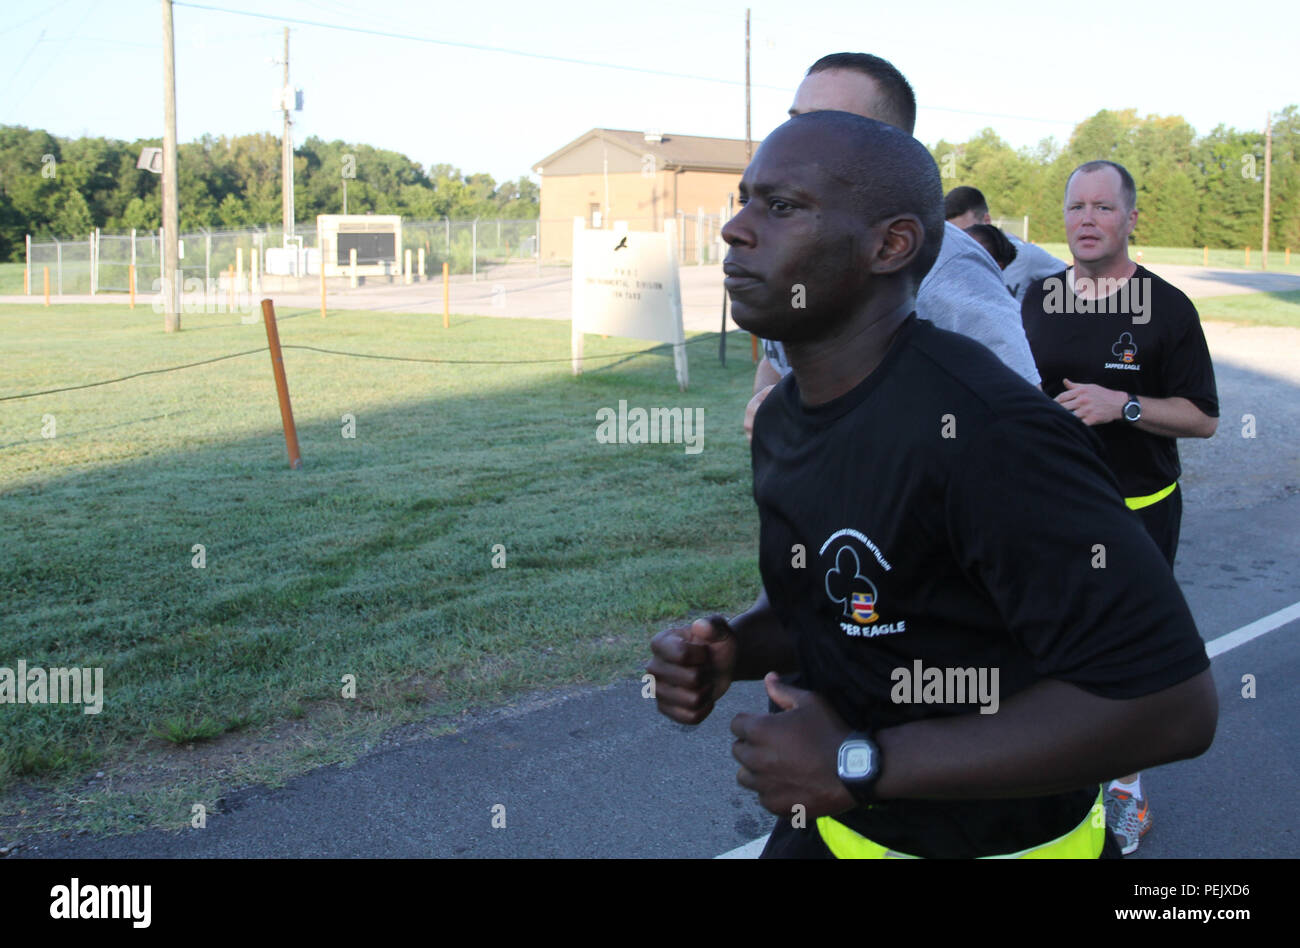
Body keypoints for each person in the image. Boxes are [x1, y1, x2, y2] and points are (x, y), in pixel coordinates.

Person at [648, 110, 1218, 859]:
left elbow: (1173, 708)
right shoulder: (784, 421)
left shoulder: (993, 433)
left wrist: (859, 764)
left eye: (781, 206)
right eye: (744, 200)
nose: (734, 229)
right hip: (833, 835)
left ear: (891, 245)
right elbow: (854, 605)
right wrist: (734, 648)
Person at [1020, 159, 1219, 855]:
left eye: (1103, 207)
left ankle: (1127, 790)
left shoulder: (1168, 309)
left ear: (1131, 218)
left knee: (1126, 653)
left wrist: (1123, 405)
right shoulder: (1037, 298)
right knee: (1043, 643)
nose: (1087, 219)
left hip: (1136, 512)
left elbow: (1203, 418)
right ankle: (1055, 773)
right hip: (1050, 509)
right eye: (1077, 206)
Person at [745, 53, 1039, 443]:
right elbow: (776, 362)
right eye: (795, 120)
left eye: (825, 124)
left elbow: (1021, 414)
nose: (795, 140)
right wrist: (769, 406)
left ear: (891, 149)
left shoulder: (945, 262)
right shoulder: (794, 244)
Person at [945, 185, 1067, 301]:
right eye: (952, 234)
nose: (959, 242)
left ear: (986, 220)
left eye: (967, 233)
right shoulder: (947, 263)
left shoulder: (1025, 256)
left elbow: (1073, 282)